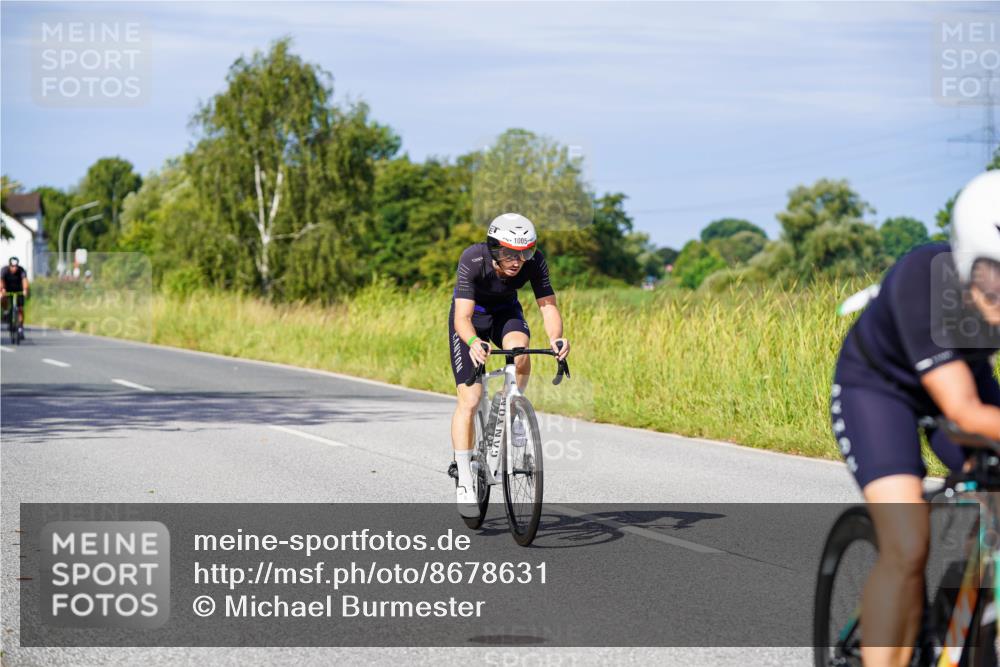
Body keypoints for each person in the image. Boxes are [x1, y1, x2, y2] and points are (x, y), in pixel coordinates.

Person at [830, 169, 1000, 666]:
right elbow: (962, 412)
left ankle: (965, 598)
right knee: (907, 542)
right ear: (968, 263)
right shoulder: (925, 278)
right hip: (880, 389)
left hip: (962, 374)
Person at [449, 213, 570, 517]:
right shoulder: (473, 259)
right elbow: (461, 318)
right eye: (509, 253)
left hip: (506, 313)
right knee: (472, 399)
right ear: (493, 249)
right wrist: (475, 342)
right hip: (470, 318)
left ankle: (514, 407)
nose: (518, 261)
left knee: (521, 348)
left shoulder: (534, 261)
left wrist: (557, 338)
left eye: (525, 252)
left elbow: (548, 305)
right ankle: (465, 477)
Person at [0, 256, 29, 336]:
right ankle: (6, 311)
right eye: (12, 266)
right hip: (7, 290)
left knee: (20, 309)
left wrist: (25, 290)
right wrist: (2, 289)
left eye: (16, 266)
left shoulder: (21, 270)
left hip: (19, 290)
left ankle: (20, 327)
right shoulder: (4, 270)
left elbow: (24, 280)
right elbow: (1, 281)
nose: (14, 268)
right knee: (2, 297)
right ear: (9, 265)